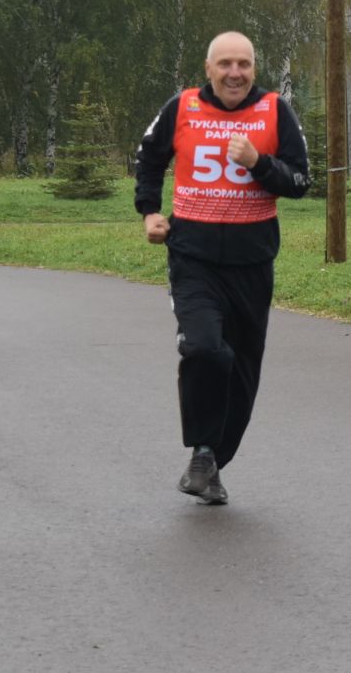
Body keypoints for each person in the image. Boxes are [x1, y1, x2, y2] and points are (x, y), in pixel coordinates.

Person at [133, 31, 311, 506]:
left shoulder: (276, 111)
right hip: (192, 258)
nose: (235, 73)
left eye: (244, 64)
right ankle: (201, 453)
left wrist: (259, 163)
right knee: (207, 350)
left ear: (255, 69)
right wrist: (149, 210)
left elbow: (300, 180)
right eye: (226, 64)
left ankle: (211, 460)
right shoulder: (183, 107)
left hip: (252, 263)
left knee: (244, 373)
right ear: (208, 68)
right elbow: (148, 159)